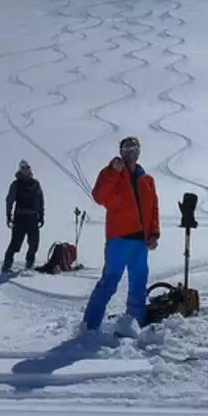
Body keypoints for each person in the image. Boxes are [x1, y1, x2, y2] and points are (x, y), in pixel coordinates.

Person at [81, 136, 160, 332]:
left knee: (139, 284)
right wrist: (112, 172)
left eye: (134, 148)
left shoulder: (147, 179)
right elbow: (99, 196)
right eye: (126, 149)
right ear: (121, 151)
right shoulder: (112, 174)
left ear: (139, 152)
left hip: (141, 241)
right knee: (109, 281)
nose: (130, 153)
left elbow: (154, 208)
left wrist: (154, 233)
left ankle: (135, 323)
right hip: (119, 239)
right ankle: (90, 326)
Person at [3, 159, 45, 272]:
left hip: (33, 218)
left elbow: (40, 200)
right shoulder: (16, 184)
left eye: (27, 167)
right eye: (23, 168)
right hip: (20, 218)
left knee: (34, 244)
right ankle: (6, 266)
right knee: (15, 244)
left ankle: (29, 265)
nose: (25, 170)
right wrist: (8, 216)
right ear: (20, 170)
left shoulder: (36, 184)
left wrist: (41, 216)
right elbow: (9, 200)